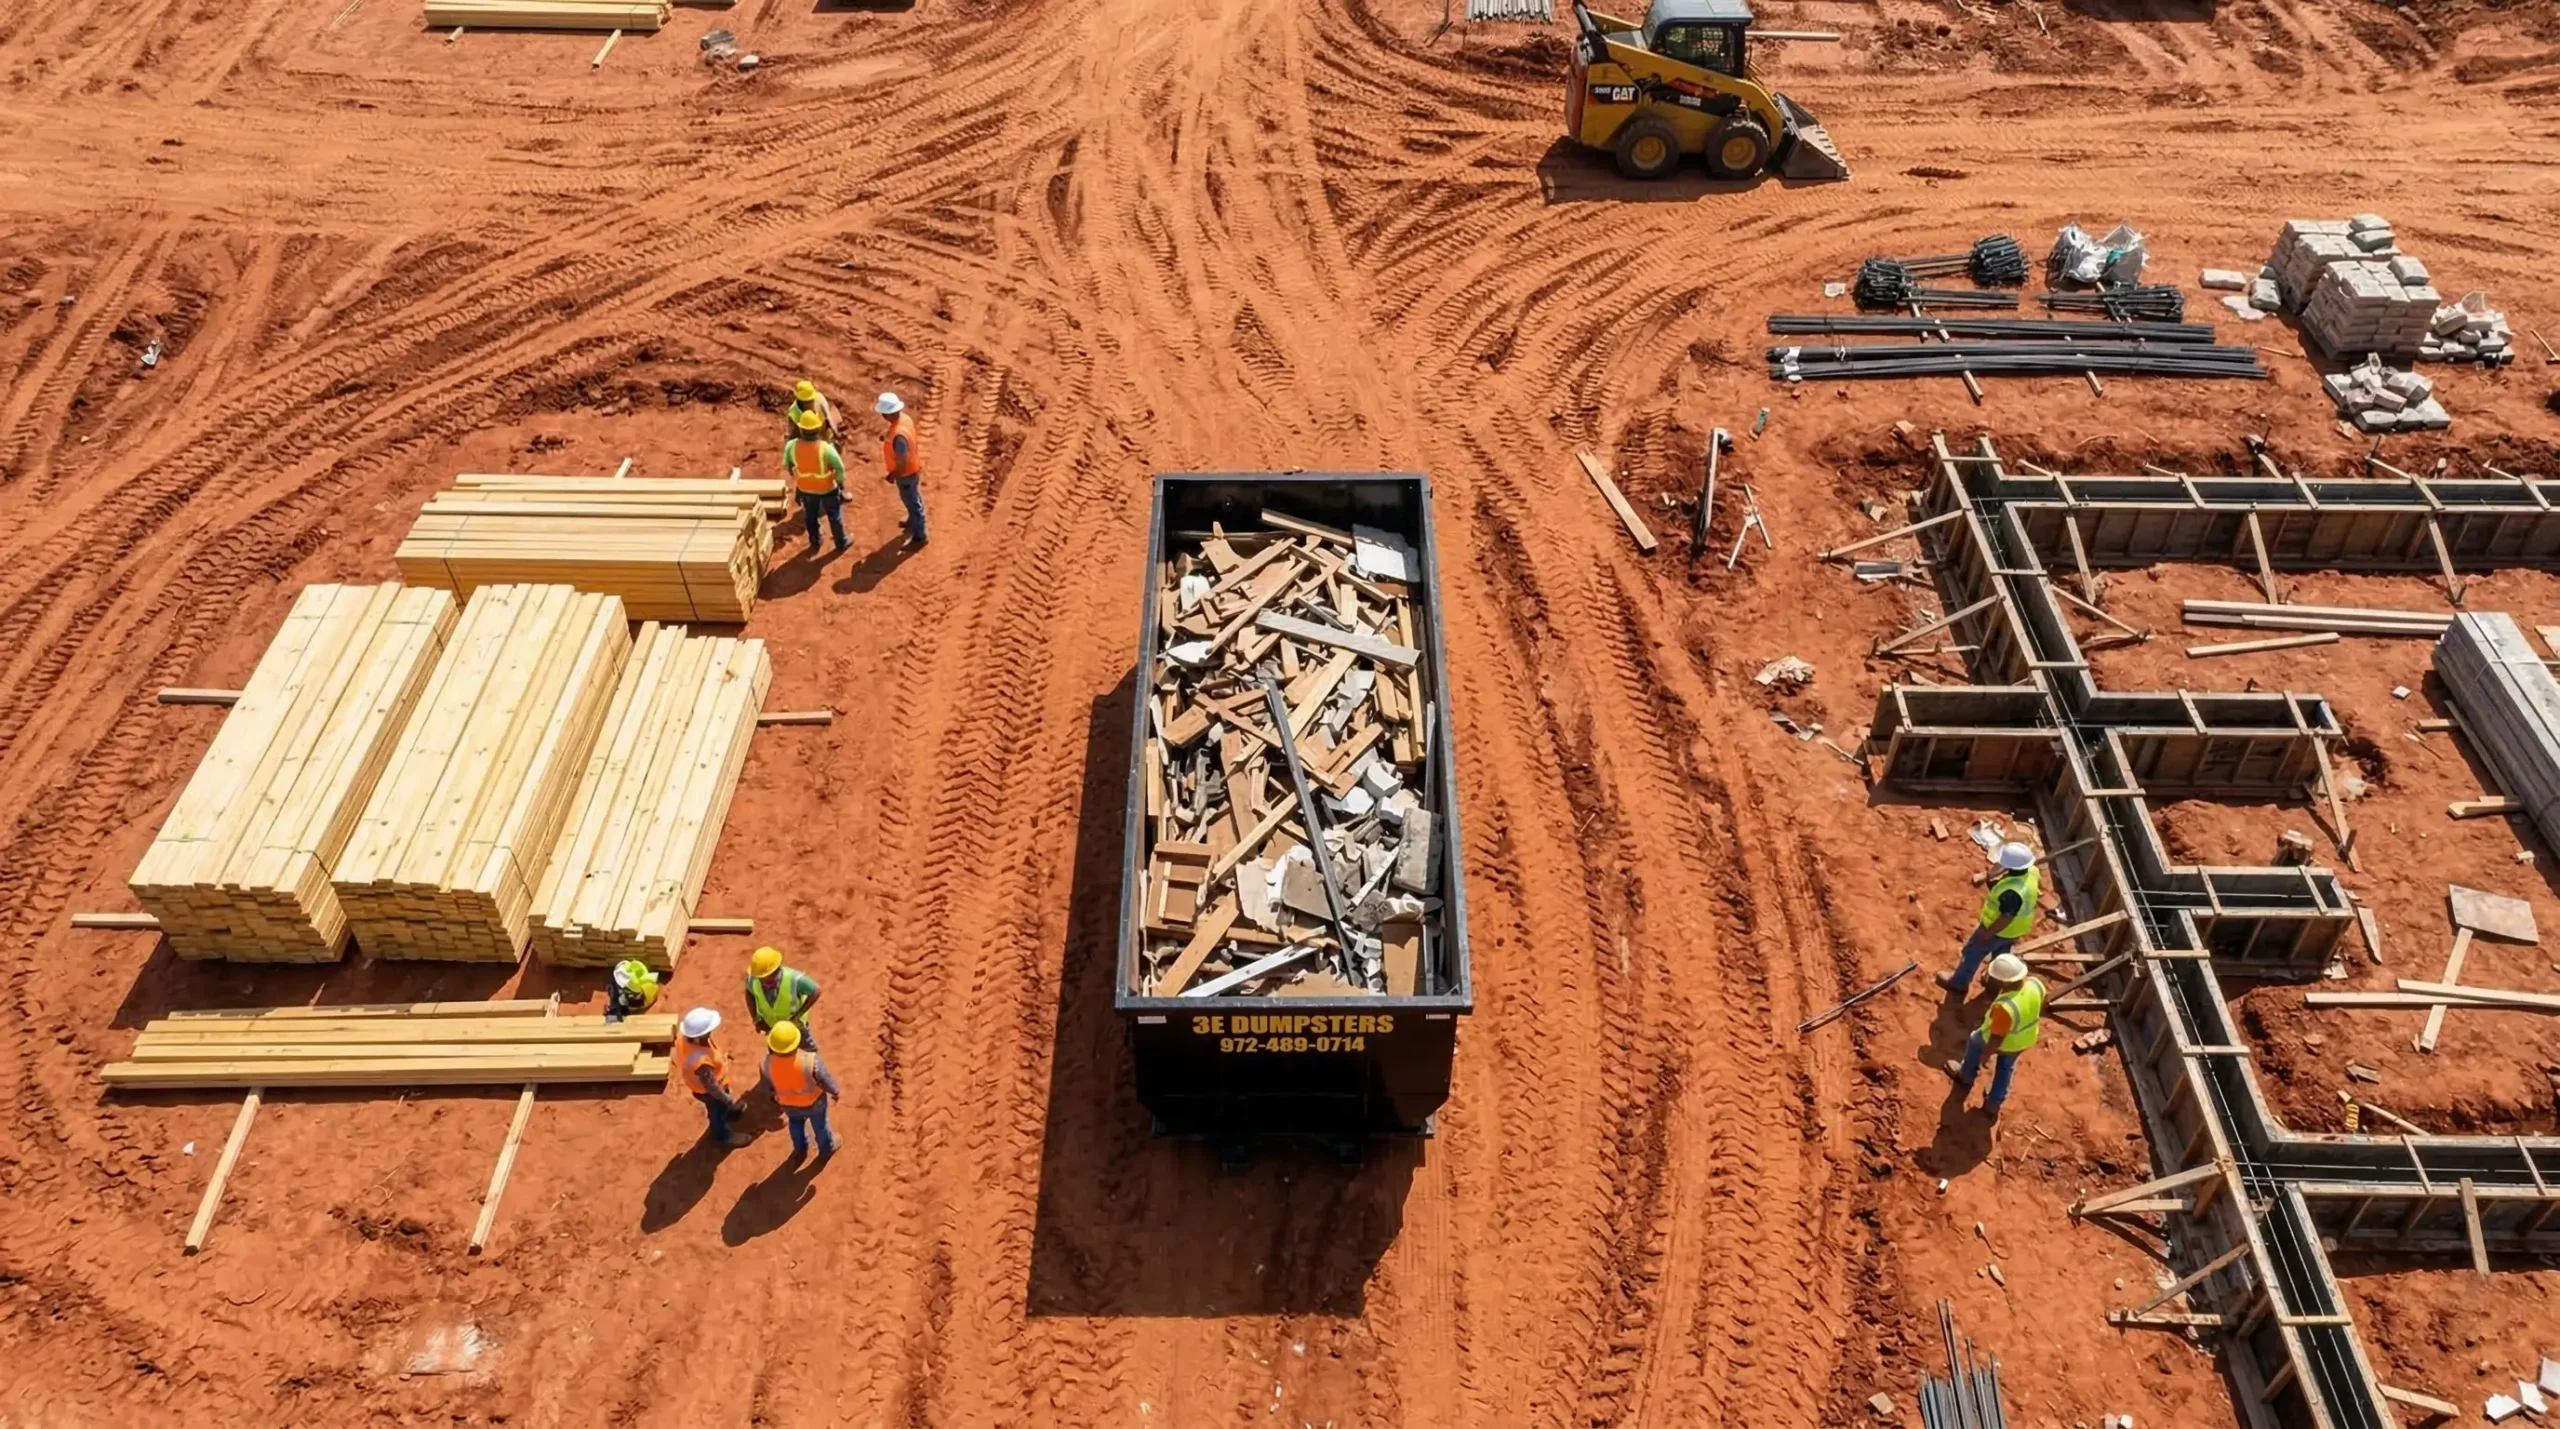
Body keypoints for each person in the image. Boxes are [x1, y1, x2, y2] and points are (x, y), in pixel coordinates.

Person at [1944, 953, 2045, 1114]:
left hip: (2006, 1041)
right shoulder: (2035, 984)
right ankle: (1994, 1103)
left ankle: (1966, 1075)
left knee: (1975, 1040)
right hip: (2025, 1038)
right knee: (2006, 1068)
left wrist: (1986, 1055)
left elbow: (1996, 1038)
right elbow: (2039, 1005)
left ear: (2004, 981)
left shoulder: (2005, 1007)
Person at [1937, 841, 2038, 996]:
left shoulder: (2011, 892)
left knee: (1972, 952)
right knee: (2001, 956)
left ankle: (1959, 983)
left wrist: (1988, 933)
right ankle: (1994, 984)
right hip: (2015, 931)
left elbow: (2006, 918)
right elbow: (2002, 865)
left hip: (1998, 929)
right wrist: (1988, 875)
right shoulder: (2032, 872)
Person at [759, 1021, 841, 1159]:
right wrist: (835, 1091)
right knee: (820, 1125)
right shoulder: (810, 1060)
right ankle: (827, 1147)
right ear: (796, 1042)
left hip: (788, 1104)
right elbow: (824, 1079)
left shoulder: (766, 1064)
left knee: (795, 1124)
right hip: (814, 1102)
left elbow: (766, 1088)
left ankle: (800, 1148)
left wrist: (774, 1099)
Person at [675, 1006, 747, 1146]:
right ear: (699, 1036)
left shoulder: (684, 1038)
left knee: (722, 1106)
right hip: (711, 1093)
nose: (711, 1032)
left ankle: (729, 1111)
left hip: (711, 1087)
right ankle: (723, 1135)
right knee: (717, 1112)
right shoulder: (702, 1063)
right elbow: (712, 1088)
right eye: (708, 1031)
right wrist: (727, 1099)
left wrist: (720, 1058)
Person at [784, 408, 849, 554]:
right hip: (827, 489)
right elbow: (839, 468)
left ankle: (815, 540)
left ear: (801, 429)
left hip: (805, 489)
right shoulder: (826, 448)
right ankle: (841, 542)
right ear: (818, 428)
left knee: (810, 516)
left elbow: (787, 465)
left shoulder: (791, 446)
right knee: (834, 516)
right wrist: (840, 483)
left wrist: (799, 477)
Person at [744, 945, 822, 1051]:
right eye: (762, 980)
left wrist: (798, 1015)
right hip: (773, 1028)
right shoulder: (753, 980)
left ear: (777, 970)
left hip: (796, 1027)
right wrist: (756, 1019)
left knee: (809, 1053)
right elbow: (749, 993)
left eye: (770, 980)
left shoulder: (795, 980)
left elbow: (815, 991)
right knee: (776, 1054)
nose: (766, 985)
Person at [876, 390, 927, 549]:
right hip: (913, 468)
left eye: (884, 413)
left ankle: (920, 536)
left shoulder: (898, 437)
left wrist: (892, 475)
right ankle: (913, 519)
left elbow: (902, 462)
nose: (883, 416)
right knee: (912, 499)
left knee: (912, 501)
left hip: (906, 474)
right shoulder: (905, 419)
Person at [604, 959, 661, 1023]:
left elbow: (638, 1003)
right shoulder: (637, 971)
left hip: (638, 1002)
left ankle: (615, 1017)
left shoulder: (641, 994)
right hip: (636, 995)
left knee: (620, 1006)